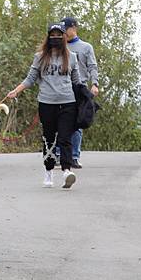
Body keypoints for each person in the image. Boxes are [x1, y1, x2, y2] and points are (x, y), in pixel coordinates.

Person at [7, 23, 81, 189]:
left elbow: (77, 82)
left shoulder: (72, 56)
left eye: (58, 35)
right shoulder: (40, 57)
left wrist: (86, 98)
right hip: (47, 103)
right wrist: (16, 91)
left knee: (64, 138)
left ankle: (67, 171)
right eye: (52, 35)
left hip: (68, 102)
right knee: (48, 138)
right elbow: (31, 78)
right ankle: (48, 172)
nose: (55, 38)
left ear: (64, 37)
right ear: (48, 37)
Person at [60, 17, 99, 169]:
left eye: (66, 29)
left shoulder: (86, 47)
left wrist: (94, 84)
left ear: (74, 27)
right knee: (60, 122)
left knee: (77, 123)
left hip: (79, 88)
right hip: (61, 87)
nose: (64, 32)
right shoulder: (59, 47)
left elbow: (92, 66)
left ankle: (74, 156)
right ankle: (59, 155)